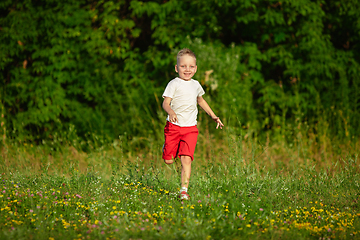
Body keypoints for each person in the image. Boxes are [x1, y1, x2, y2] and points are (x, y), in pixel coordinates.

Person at [162, 48, 224, 200]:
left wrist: (213, 115)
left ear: (195, 69)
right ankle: (167, 148)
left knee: (186, 159)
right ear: (177, 68)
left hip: (190, 128)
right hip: (174, 127)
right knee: (169, 160)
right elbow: (165, 103)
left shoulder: (196, 85)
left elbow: (201, 100)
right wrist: (171, 112)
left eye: (190, 66)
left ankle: (183, 191)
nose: (187, 69)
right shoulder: (173, 84)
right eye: (183, 66)